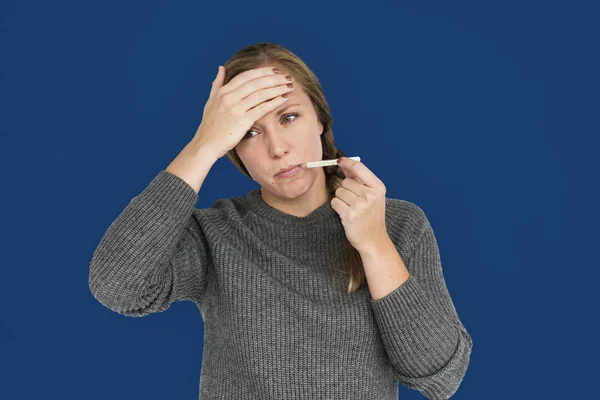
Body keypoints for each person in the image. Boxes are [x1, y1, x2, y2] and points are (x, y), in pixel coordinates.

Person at [89, 42, 473, 400]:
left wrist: (374, 244)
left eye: (289, 117)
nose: (277, 148)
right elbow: (117, 288)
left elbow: (439, 377)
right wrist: (202, 145)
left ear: (320, 121)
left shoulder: (400, 225)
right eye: (250, 132)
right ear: (234, 149)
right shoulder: (215, 234)